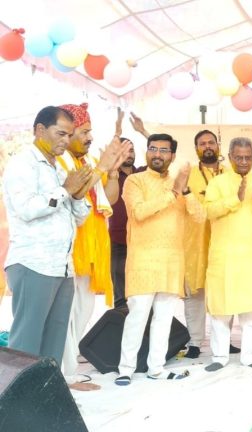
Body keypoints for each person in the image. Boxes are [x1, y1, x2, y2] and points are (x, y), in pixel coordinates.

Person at [3, 106, 122, 367]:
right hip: (34, 264)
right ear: (40, 130)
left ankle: (48, 390)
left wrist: (77, 195)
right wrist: (65, 190)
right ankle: (19, 394)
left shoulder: (57, 167)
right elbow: (26, 209)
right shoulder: (23, 163)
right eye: (61, 134)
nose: (66, 141)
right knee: (26, 344)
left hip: (63, 267)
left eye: (69, 135)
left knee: (53, 344)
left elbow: (79, 216)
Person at [115, 133, 204, 385]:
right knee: (137, 317)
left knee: (163, 319)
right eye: (153, 149)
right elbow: (139, 212)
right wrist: (172, 193)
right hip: (143, 262)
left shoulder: (180, 185)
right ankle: (126, 369)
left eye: (164, 150)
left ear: (172, 156)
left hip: (171, 263)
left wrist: (185, 191)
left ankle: (156, 368)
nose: (157, 154)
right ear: (147, 152)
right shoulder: (134, 180)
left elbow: (199, 217)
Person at [58, 103, 129, 379]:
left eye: (90, 132)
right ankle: (64, 373)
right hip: (71, 250)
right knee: (66, 315)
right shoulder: (61, 162)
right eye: (84, 132)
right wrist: (101, 167)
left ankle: (68, 369)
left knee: (83, 311)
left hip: (93, 250)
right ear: (67, 133)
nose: (90, 138)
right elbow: (76, 191)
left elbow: (108, 198)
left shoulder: (86, 162)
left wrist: (112, 172)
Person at [203, 138, 252, 371]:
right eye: (239, 157)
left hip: (251, 257)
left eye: (248, 157)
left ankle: (249, 356)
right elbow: (208, 211)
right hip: (224, 258)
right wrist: (234, 199)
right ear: (230, 157)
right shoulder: (218, 182)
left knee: (250, 311)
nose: (244, 162)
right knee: (221, 310)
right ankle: (219, 357)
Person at [181, 130, 239, 358]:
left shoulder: (231, 174)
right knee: (194, 294)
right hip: (194, 241)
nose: (207, 146)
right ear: (196, 148)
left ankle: (224, 340)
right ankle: (195, 342)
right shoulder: (189, 174)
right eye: (202, 143)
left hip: (224, 239)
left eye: (211, 142)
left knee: (225, 290)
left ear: (218, 145)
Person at [109, 138, 137, 310]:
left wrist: (142, 131)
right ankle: (120, 324)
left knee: (141, 293)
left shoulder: (142, 173)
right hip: (118, 240)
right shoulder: (109, 175)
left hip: (141, 241)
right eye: (124, 151)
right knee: (120, 297)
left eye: (131, 150)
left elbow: (165, 154)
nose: (129, 154)